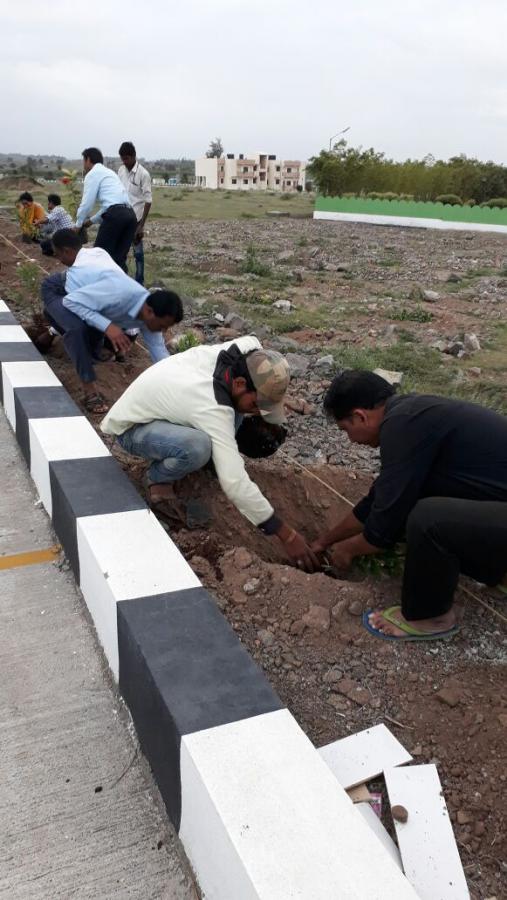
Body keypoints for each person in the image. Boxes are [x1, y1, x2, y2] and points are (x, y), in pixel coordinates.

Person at [311, 370, 507, 642]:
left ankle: (431, 617)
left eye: (346, 430)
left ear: (360, 416)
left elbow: (382, 530)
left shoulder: (401, 425)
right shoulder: (411, 416)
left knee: (428, 519)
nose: (350, 440)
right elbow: (378, 501)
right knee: (422, 507)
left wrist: (347, 550)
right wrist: (324, 541)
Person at [101, 337, 320, 571]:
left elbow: (256, 345)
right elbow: (234, 483)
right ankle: (158, 479)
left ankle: (213, 459)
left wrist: (272, 398)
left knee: (235, 408)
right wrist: (286, 535)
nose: (259, 412)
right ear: (239, 384)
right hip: (133, 428)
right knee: (198, 447)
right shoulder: (211, 406)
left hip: (168, 405)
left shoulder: (245, 351)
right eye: (257, 405)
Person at [40, 229, 183, 414]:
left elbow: (159, 353)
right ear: (149, 311)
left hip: (87, 299)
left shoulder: (151, 316)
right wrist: (108, 326)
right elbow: (71, 302)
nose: (162, 331)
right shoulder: (118, 293)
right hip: (59, 292)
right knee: (76, 329)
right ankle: (90, 391)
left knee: (92, 345)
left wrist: (178, 384)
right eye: (163, 326)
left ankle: (55, 323)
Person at [75, 147, 138, 271]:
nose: (83, 165)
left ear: (88, 159)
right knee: (118, 260)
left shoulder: (92, 174)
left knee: (100, 256)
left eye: (83, 161)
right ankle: (122, 283)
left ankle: (98, 283)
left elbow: (87, 203)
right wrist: (91, 221)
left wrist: (78, 224)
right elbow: (110, 206)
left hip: (116, 216)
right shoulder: (110, 173)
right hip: (130, 216)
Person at [118, 141, 152, 285]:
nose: (125, 162)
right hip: (121, 218)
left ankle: (139, 283)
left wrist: (141, 226)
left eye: (126, 158)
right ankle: (122, 282)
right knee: (120, 253)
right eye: (122, 159)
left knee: (138, 254)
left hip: (136, 220)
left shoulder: (143, 174)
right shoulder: (121, 170)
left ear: (133, 156)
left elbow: (148, 201)